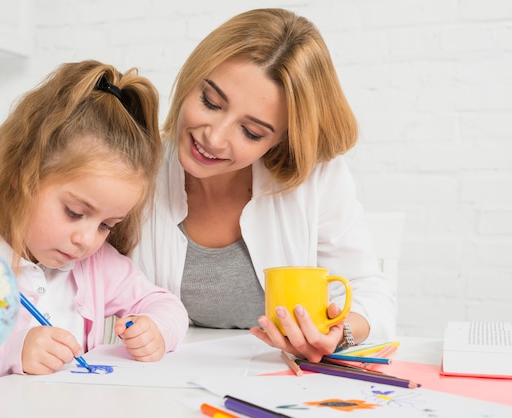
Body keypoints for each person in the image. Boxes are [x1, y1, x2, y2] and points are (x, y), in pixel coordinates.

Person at [131, 8, 396, 362]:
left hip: (277, 382)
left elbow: (371, 296)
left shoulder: (317, 177)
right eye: (210, 102)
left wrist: (339, 332)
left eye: (252, 132)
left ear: (282, 139)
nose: (215, 137)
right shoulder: (134, 166)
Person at [0, 60, 189, 392]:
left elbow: (166, 305)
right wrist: (11, 353)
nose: (86, 240)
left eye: (106, 225)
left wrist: (155, 329)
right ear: (20, 174)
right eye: (74, 212)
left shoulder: (96, 264)